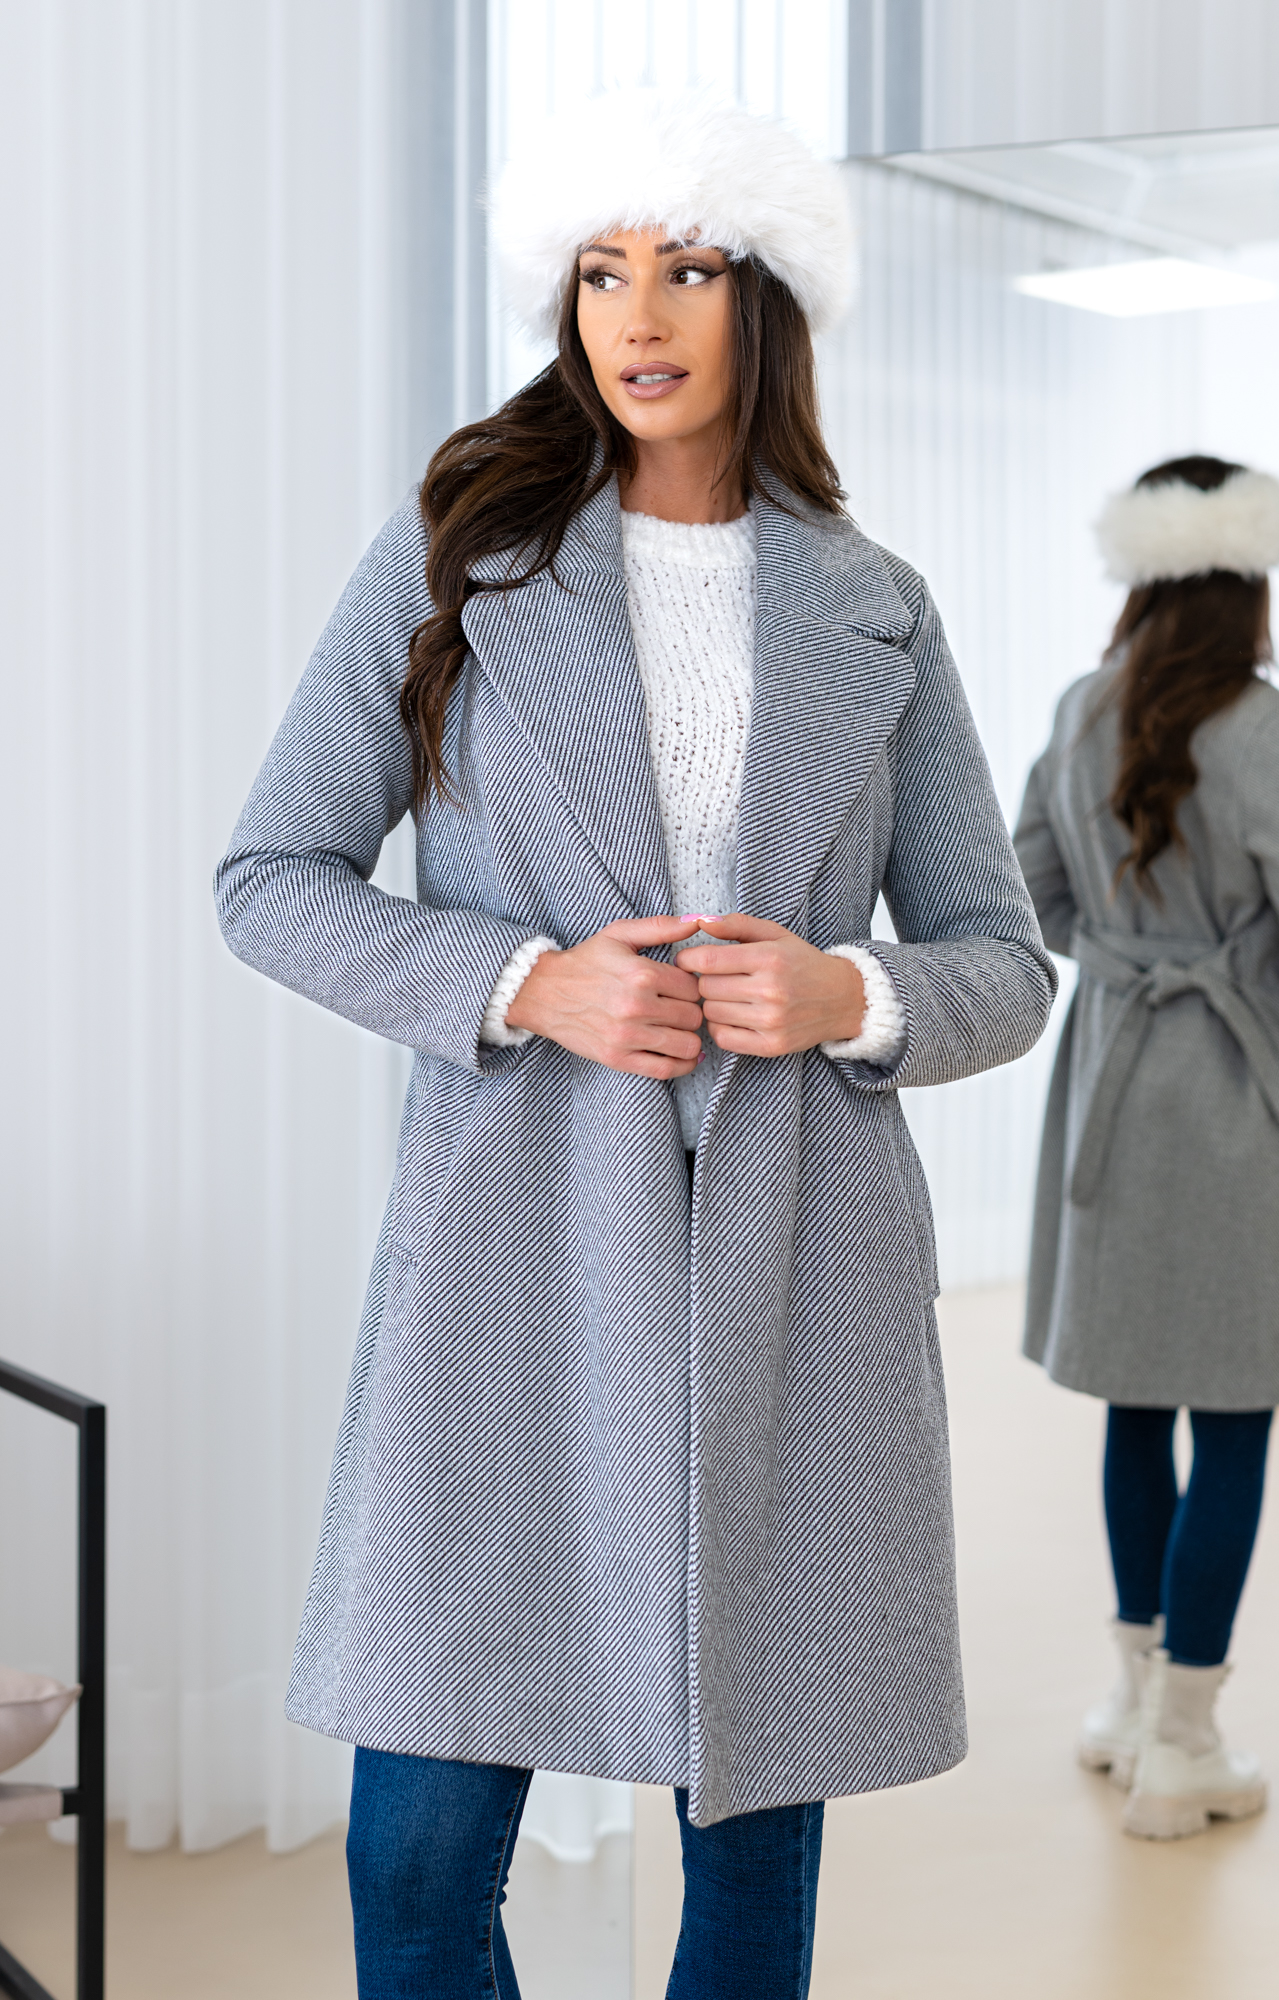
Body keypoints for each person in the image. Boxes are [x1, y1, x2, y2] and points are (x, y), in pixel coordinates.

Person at [216, 90, 1054, 1997]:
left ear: (770, 303)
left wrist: (851, 996)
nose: (640, 312)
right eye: (602, 271)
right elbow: (270, 877)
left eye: (687, 266)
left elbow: (1002, 961)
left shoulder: (876, 607)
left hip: (798, 1286)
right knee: (417, 1867)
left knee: (747, 1886)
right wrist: (526, 981)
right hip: (514, 1269)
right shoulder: (458, 555)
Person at [1016, 454, 1279, 1842]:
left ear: (1138, 583)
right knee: (1237, 1413)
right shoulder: (1268, 730)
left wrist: (1130, 957)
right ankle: (1186, 1743)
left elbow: (1029, 896)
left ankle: (1130, 1706)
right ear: (1249, 584)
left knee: (1136, 1402)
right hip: (1247, 1104)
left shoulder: (1079, 709)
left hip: (1118, 1084)